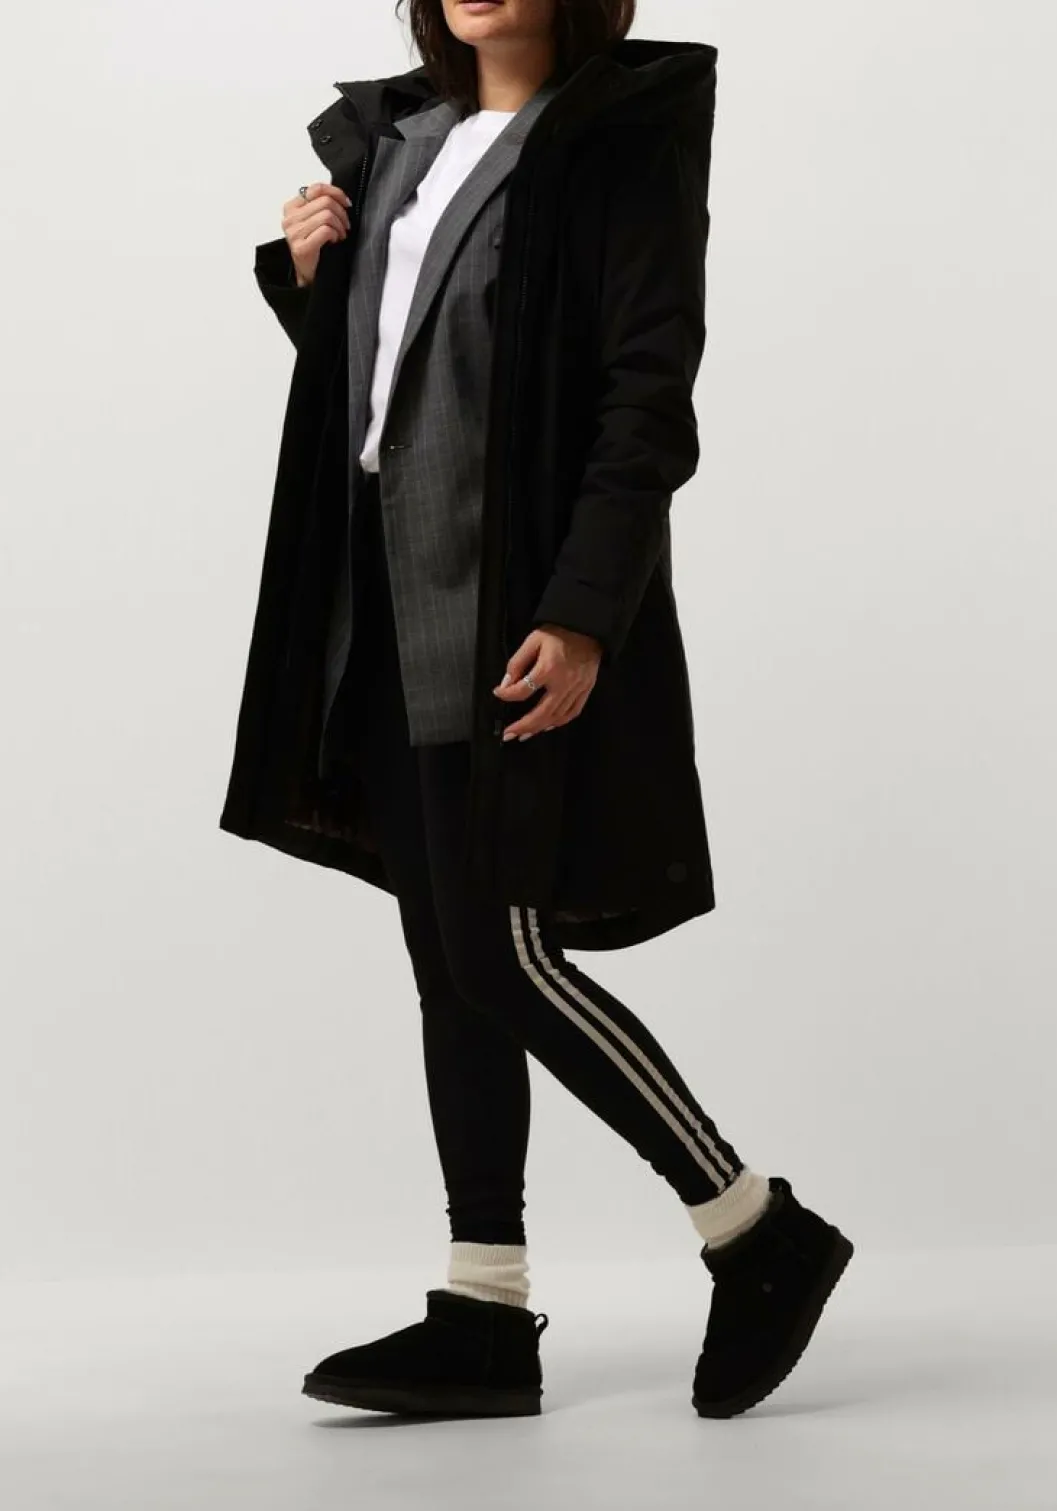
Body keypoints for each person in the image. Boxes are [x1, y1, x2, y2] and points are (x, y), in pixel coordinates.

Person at [219, 0, 854, 1421]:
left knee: (500, 954)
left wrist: (583, 612)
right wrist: (312, 280)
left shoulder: (615, 142)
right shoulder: (404, 142)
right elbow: (394, 385)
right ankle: (485, 1305)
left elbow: (645, 398)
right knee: (449, 964)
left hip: (508, 607)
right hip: (379, 608)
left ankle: (756, 1227)